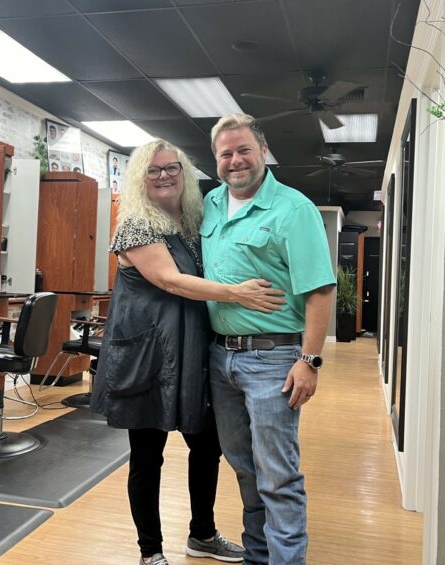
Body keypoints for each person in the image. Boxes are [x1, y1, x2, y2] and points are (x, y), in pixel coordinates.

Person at [91, 138, 286, 565]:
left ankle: (202, 534)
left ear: (185, 174)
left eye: (171, 168)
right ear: (141, 179)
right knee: (147, 456)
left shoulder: (197, 222)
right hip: (149, 356)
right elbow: (171, 281)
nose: (164, 176)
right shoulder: (137, 226)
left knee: (207, 446)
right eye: (154, 170)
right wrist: (238, 295)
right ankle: (150, 552)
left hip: (196, 352)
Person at [201, 114, 336, 564]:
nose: (235, 161)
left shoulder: (293, 209)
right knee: (244, 470)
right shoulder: (211, 205)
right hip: (221, 360)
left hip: (273, 360)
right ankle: (258, 557)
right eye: (226, 153)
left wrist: (309, 360)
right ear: (216, 160)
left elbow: (320, 289)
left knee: (277, 476)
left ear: (263, 152)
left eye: (244, 150)